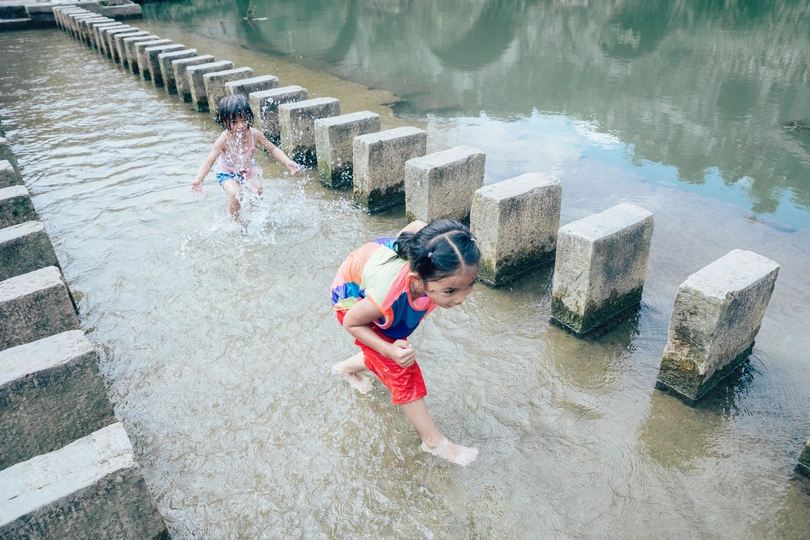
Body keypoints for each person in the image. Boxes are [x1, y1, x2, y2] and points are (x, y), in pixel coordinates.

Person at [331, 219, 480, 466]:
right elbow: (351, 322)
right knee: (402, 368)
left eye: (470, 285)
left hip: (383, 286)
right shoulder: (387, 294)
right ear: (417, 278)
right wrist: (388, 349)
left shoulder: (431, 262)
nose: (461, 298)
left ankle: (345, 369)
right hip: (353, 303)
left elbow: (417, 224)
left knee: (391, 353)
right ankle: (433, 442)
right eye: (450, 291)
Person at [190, 94, 300, 220]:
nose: (241, 125)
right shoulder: (223, 141)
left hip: (248, 170)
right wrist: (199, 179)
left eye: (244, 120)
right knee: (236, 193)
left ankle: (256, 216)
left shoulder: (255, 135)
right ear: (223, 121)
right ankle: (236, 220)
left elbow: (273, 149)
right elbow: (209, 161)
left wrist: (287, 162)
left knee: (257, 189)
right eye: (234, 122)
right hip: (227, 173)